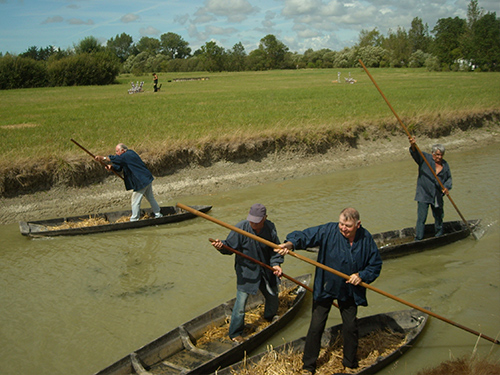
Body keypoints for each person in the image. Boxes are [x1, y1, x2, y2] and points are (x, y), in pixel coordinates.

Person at [275, 208, 382, 375]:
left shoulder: (366, 239)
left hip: (349, 290)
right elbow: (306, 236)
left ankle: (350, 363)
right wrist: (290, 244)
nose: (343, 228)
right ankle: (308, 366)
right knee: (316, 326)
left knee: (351, 326)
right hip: (326, 287)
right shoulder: (328, 231)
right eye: (341, 224)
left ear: (358, 225)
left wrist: (361, 276)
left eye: (347, 225)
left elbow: (375, 265)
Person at [211, 203, 284, 343]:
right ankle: (235, 333)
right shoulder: (241, 228)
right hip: (247, 272)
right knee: (241, 304)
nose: (253, 224)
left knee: (273, 295)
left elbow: (276, 249)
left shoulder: (270, 228)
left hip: (266, 269)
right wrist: (221, 246)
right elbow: (229, 246)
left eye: (256, 222)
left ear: (265, 218)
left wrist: (276, 264)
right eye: (251, 221)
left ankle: (270, 316)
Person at [95, 143, 162, 221]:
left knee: (135, 200)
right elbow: (119, 166)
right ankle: (158, 214)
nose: (116, 153)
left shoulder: (128, 154)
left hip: (141, 180)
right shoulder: (125, 157)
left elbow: (116, 159)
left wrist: (103, 158)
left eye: (117, 151)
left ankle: (134, 219)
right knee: (150, 197)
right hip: (146, 179)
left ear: (123, 150)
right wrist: (112, 167)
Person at [409, 136, 452, 241]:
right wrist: (413, 144)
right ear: (433, 154)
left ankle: (439, 235)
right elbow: (415, 153)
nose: (439, 157)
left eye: (441, 155)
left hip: (437, 195)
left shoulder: (445, 165)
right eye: (437, 155)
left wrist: (446, 188)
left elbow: (448, 179)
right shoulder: (425, 159)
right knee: (421, 218)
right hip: (423, 194)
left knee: (438, 217)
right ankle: (418, 238)